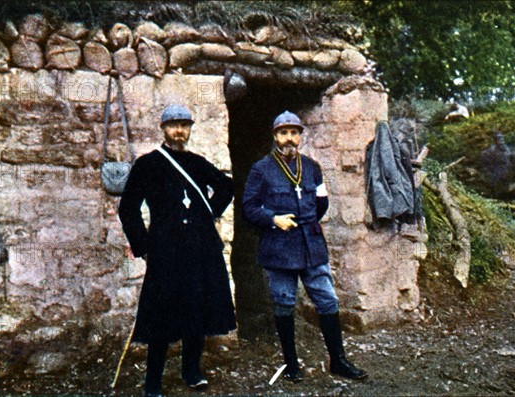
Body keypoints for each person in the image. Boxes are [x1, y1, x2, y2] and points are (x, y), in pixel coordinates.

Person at [242, 110, 368, 383]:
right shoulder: (260, 169)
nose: (290, 138)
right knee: (285, 302)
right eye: (284, 133)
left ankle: (338, 360)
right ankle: (290, 364)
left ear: (300, 136)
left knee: (327, 300)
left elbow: (321, 203)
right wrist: (273, 219)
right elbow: (248, 208)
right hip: (279, 247)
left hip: (312, 246)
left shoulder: (312, 167)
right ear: (275, 136)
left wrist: (308, 224)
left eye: (294, 133)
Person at [119, 104, 236, 397]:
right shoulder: (148, 164)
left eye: (184, 125)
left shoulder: (197, 162)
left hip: (200, 249)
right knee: (161, 315)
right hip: (166, 252)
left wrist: (209, 213)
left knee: (197, 310)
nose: (179, 131)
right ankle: (153, 382)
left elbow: (226, 187)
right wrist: (143, 246)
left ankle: (191, 372)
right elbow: (128, 208)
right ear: (163, 128)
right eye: (173, 125)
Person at [481, 131, 513, 199]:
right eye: (499, 139)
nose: (501, 140)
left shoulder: (505, 147)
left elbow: (509, 155)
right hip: (496, 169)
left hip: (505, 168)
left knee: (505, 185)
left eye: (501, 138)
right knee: (495, 184)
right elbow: (487, 160)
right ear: (495, 140)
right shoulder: (491, 149)